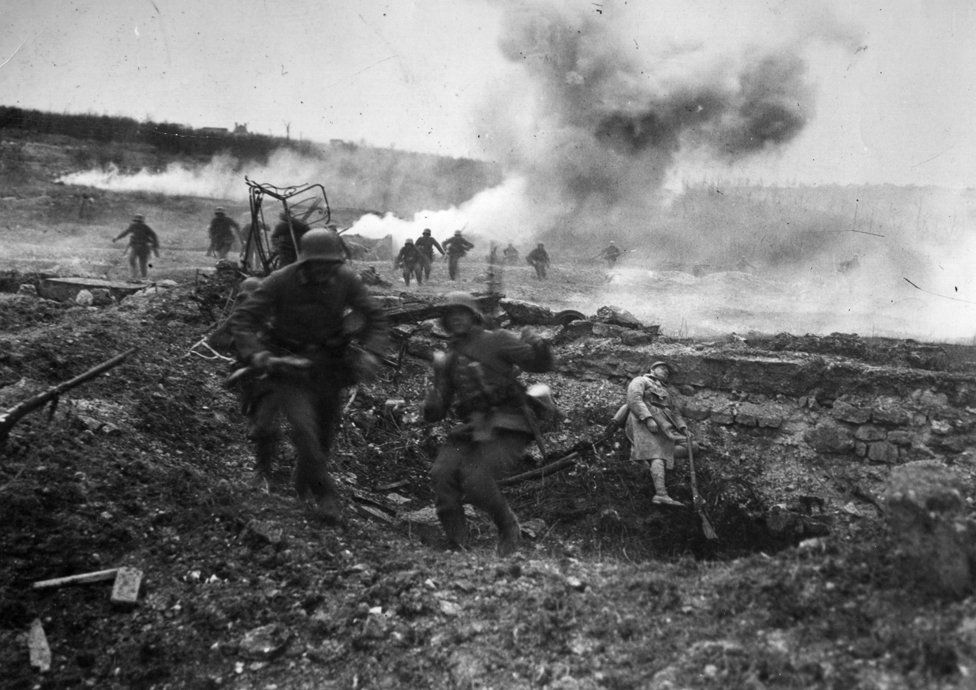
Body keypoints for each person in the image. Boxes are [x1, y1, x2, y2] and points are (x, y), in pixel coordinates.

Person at [230, 229, 389, 520]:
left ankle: (301, 488)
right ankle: (325, 495)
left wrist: (372, 352)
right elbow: (243, 319)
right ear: (304, 262)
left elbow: (375, 316)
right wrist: (256, 353)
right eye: (318, 264)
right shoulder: (280, 281)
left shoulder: (345, 279)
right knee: (305, 431)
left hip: (329, 368)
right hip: (289, 367)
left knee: (323, 439)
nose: (324, 270)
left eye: (330, 264)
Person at [424, 292, 554, 556]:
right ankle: (457, 544)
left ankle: (508, 527)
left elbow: (541, 365)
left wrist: (539, 345)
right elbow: (437, 412)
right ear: (446, 322)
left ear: (474, 317)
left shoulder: (498, 339)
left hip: (509, 422)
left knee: (477, 479)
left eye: (462, 313)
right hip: (472, 427)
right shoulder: (448, 359)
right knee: (441, 474)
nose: (457, 318)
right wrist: (432, 393)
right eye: (451, 315)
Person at [623, 361, 689, 507]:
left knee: (692, 446)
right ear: (652, 369)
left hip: (664, 427)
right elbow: (634, 399)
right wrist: (648, 418)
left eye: (668, 371)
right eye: (662, 368)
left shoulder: (666, 391)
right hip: (643, 422)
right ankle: (661, 494)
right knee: (657, 454)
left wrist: (683, 427)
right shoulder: (640, 380)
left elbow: (674, 411)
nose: (666, 371)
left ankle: (642, 458)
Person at [112, 213, 159, 282]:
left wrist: (155, 246)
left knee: (142, 263)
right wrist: (117, 238)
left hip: (144, 247)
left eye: (139, 222)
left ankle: (144, 278)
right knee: (132, 260)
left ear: (142, 222)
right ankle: (134, 275)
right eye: (136, 221)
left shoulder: (146, 227)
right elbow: (125, 232)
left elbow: (154, 236)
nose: (137, 223)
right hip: (135, 247)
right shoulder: (133, 226)